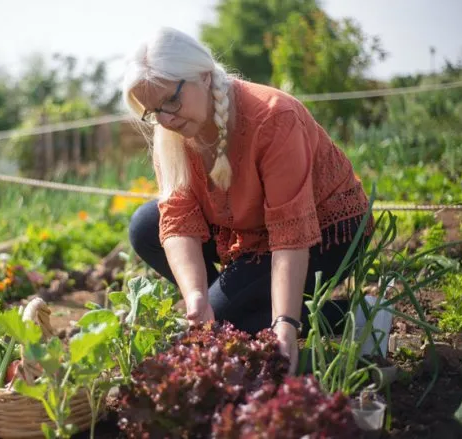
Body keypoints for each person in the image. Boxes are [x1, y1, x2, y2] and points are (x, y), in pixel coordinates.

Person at [122, 27, 373, 374]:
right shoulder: (173, 132)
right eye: (153, 111)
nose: (165, 119)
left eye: (171, 101)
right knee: (145, 226)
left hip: (326, 228)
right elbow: (178, 216)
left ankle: (359, 316)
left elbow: (290, 233)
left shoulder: (273, 117)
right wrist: (196, 296)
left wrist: (285, 322)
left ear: (205, 77)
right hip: (251, 228)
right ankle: (234, 309)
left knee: (227, 318)